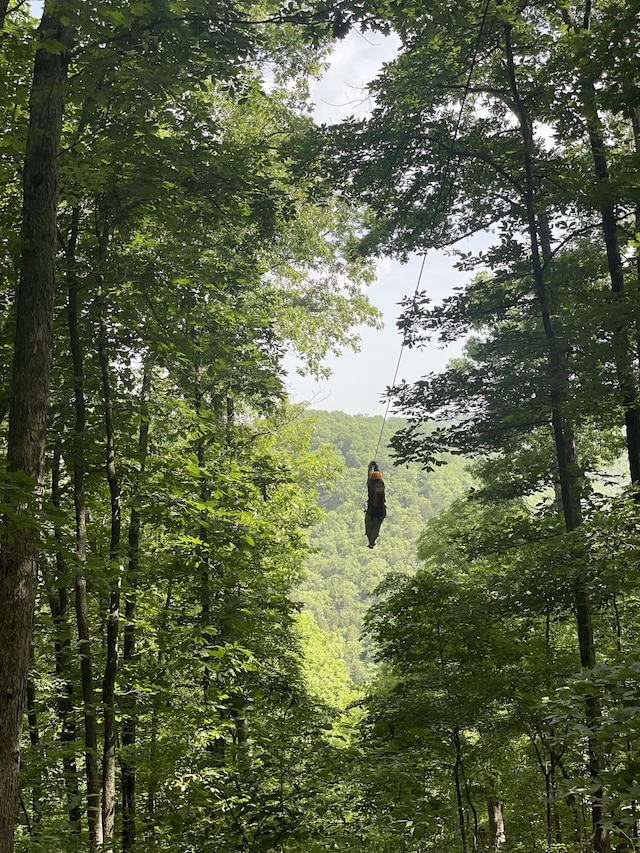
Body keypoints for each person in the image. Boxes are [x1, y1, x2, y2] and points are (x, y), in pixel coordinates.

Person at [364, 460, 386, 548]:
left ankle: (371, 541)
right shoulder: (381, 484)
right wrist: (376, 467)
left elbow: (369, 476)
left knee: (369, 527)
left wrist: (370, 467)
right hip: (381, 512)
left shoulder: (371, 485)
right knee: (376, 528)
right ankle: (372, 541)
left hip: (371, 511)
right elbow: (378, 475)